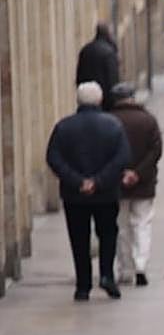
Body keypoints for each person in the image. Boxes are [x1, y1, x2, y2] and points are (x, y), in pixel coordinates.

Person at [45, 83, 131, 301]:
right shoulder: (113, 126)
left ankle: (83, 284)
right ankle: (106, 275)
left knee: (79, 238)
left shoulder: (64, 127)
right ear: (100, 100)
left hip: (75, 195)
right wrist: (99, 182)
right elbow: (122, 158)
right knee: (108, 234)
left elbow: (54, 158)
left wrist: (78, 181)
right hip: (105, 193)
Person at [109, 83, 161, 288]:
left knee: (121, 227)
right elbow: (156, 151)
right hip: (144, 183)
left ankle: (125, 270)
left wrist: (122, 173)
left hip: (117, 183)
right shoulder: (148, 120)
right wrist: (138, 173)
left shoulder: (110, 121)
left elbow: (107, 153)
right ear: (132, 97)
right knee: (142, 223)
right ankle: (141, 265)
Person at [75, 23, 120, 110]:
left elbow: (79, 75)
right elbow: (113, 79)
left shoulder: (85, 50)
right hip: (105, 101)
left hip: (86, 97)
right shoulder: (109, 52)